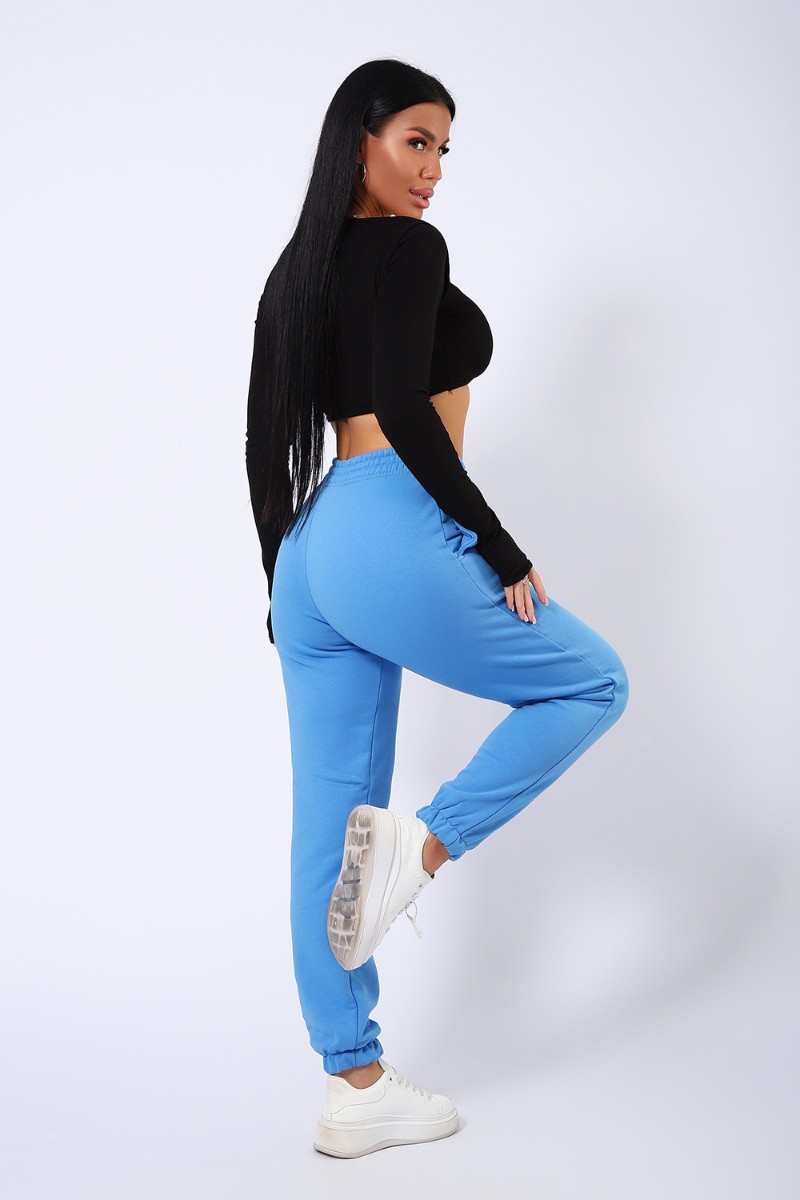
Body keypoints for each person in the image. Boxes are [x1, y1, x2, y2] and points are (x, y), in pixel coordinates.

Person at [245, 58, 630, 1159]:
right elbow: (405, 409)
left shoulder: (297, 268)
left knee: (327, 825)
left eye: (444, 149)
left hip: (313, 547)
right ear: (359, 139)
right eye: (416, 140)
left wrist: (277, 577)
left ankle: (354, 1086)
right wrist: (498, 543)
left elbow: (261, 438)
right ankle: (421, 850)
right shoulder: (411, 250)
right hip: (389, 518)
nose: (433, 171)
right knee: (593, 683)